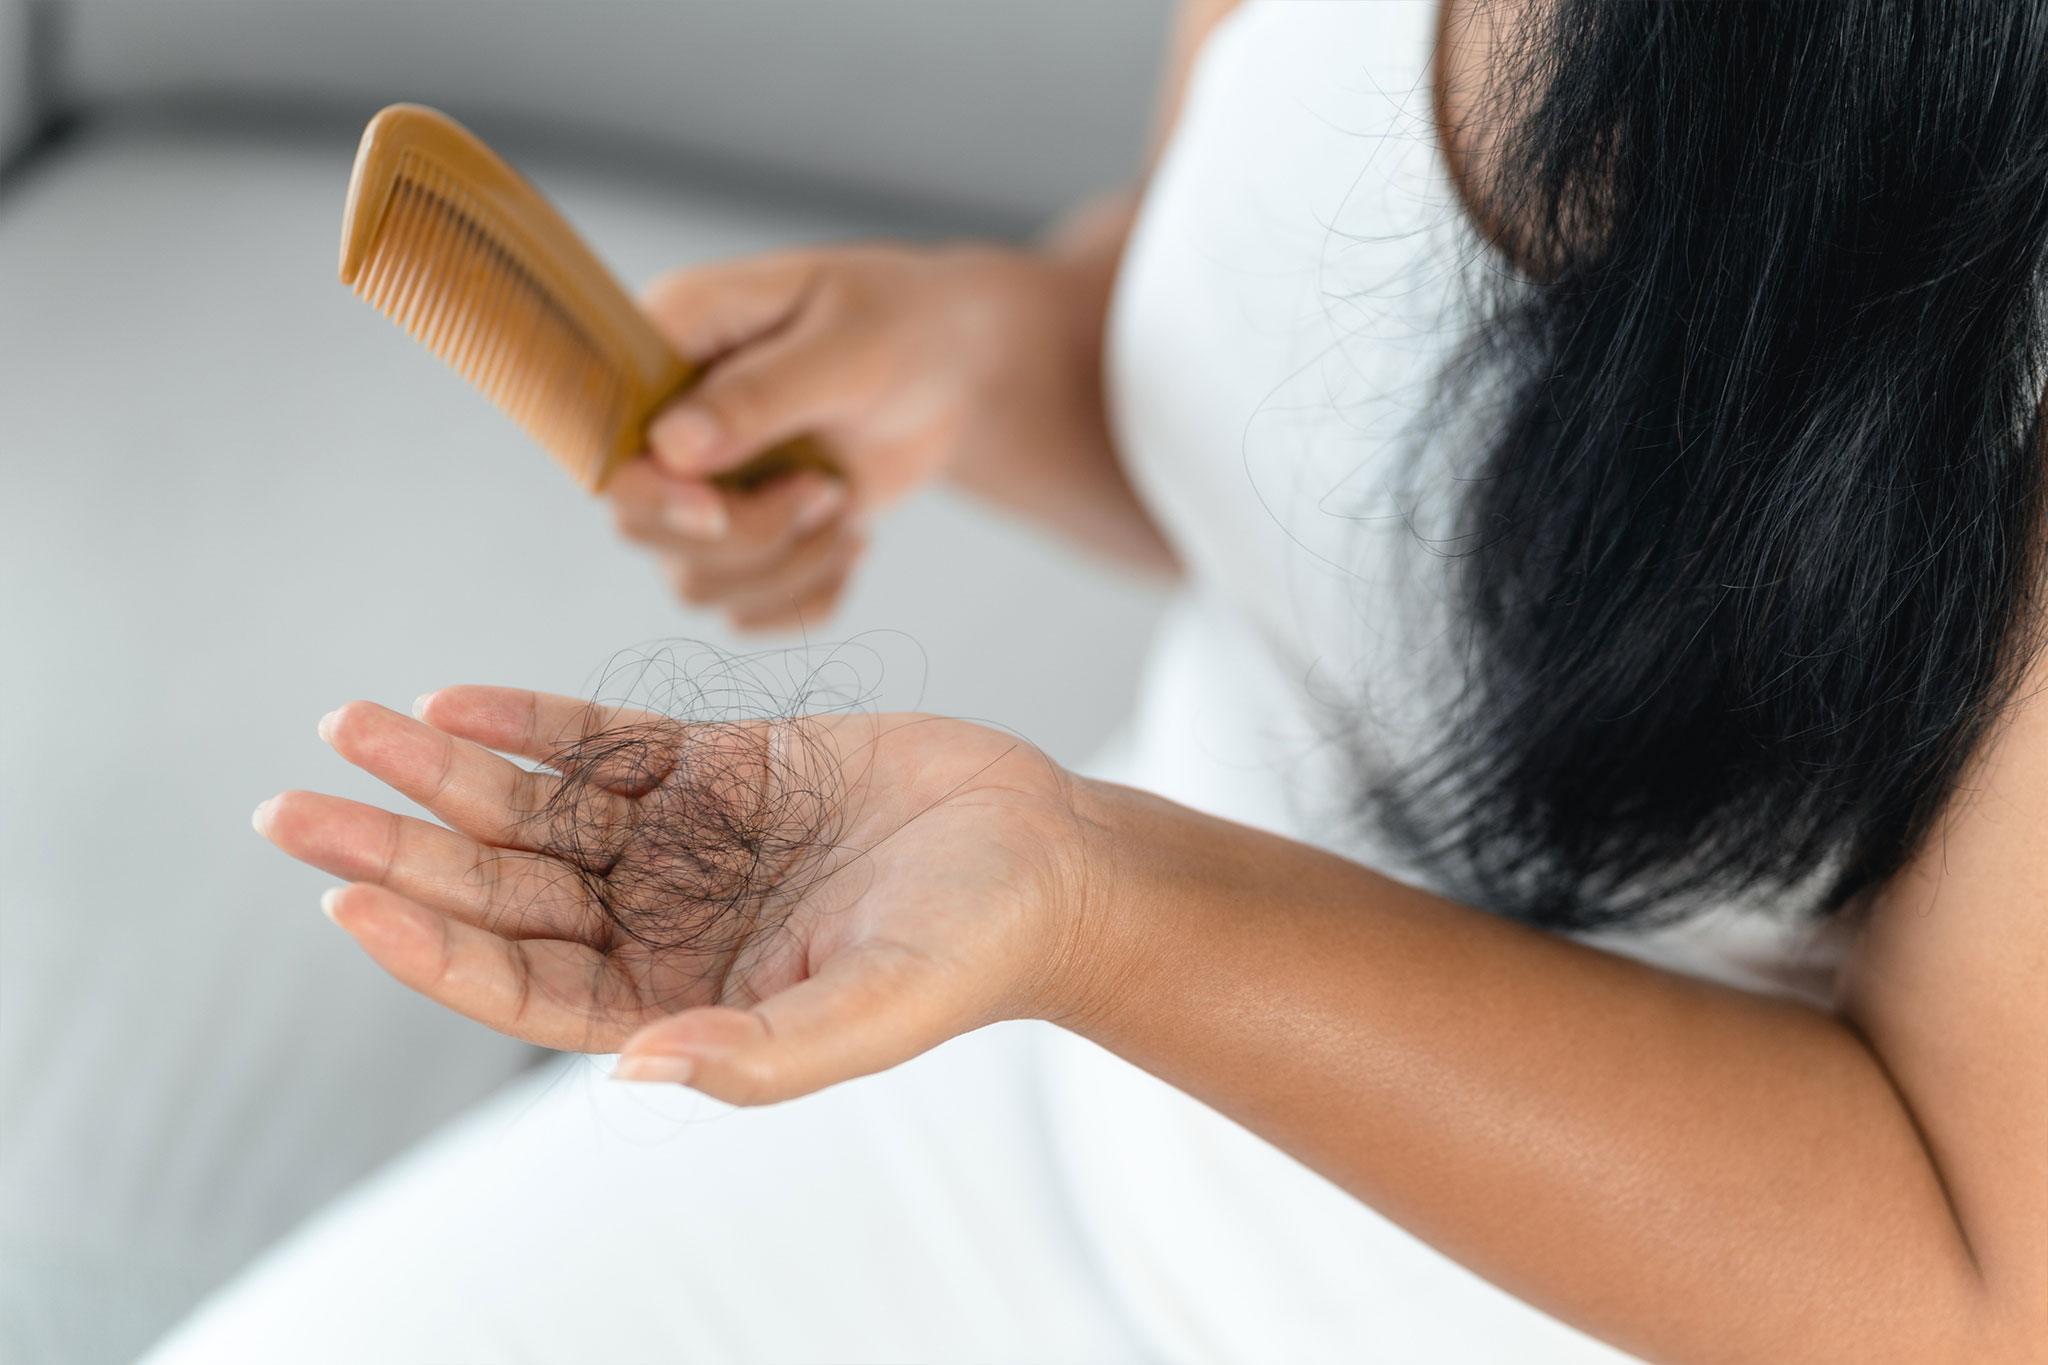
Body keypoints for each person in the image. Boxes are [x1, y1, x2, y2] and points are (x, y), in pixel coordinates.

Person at [148, 2, 2048, 1361]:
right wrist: (971, 351)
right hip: (1030, 1078)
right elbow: (1296, 413)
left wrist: (1102, 901)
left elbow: (1970, 1284)